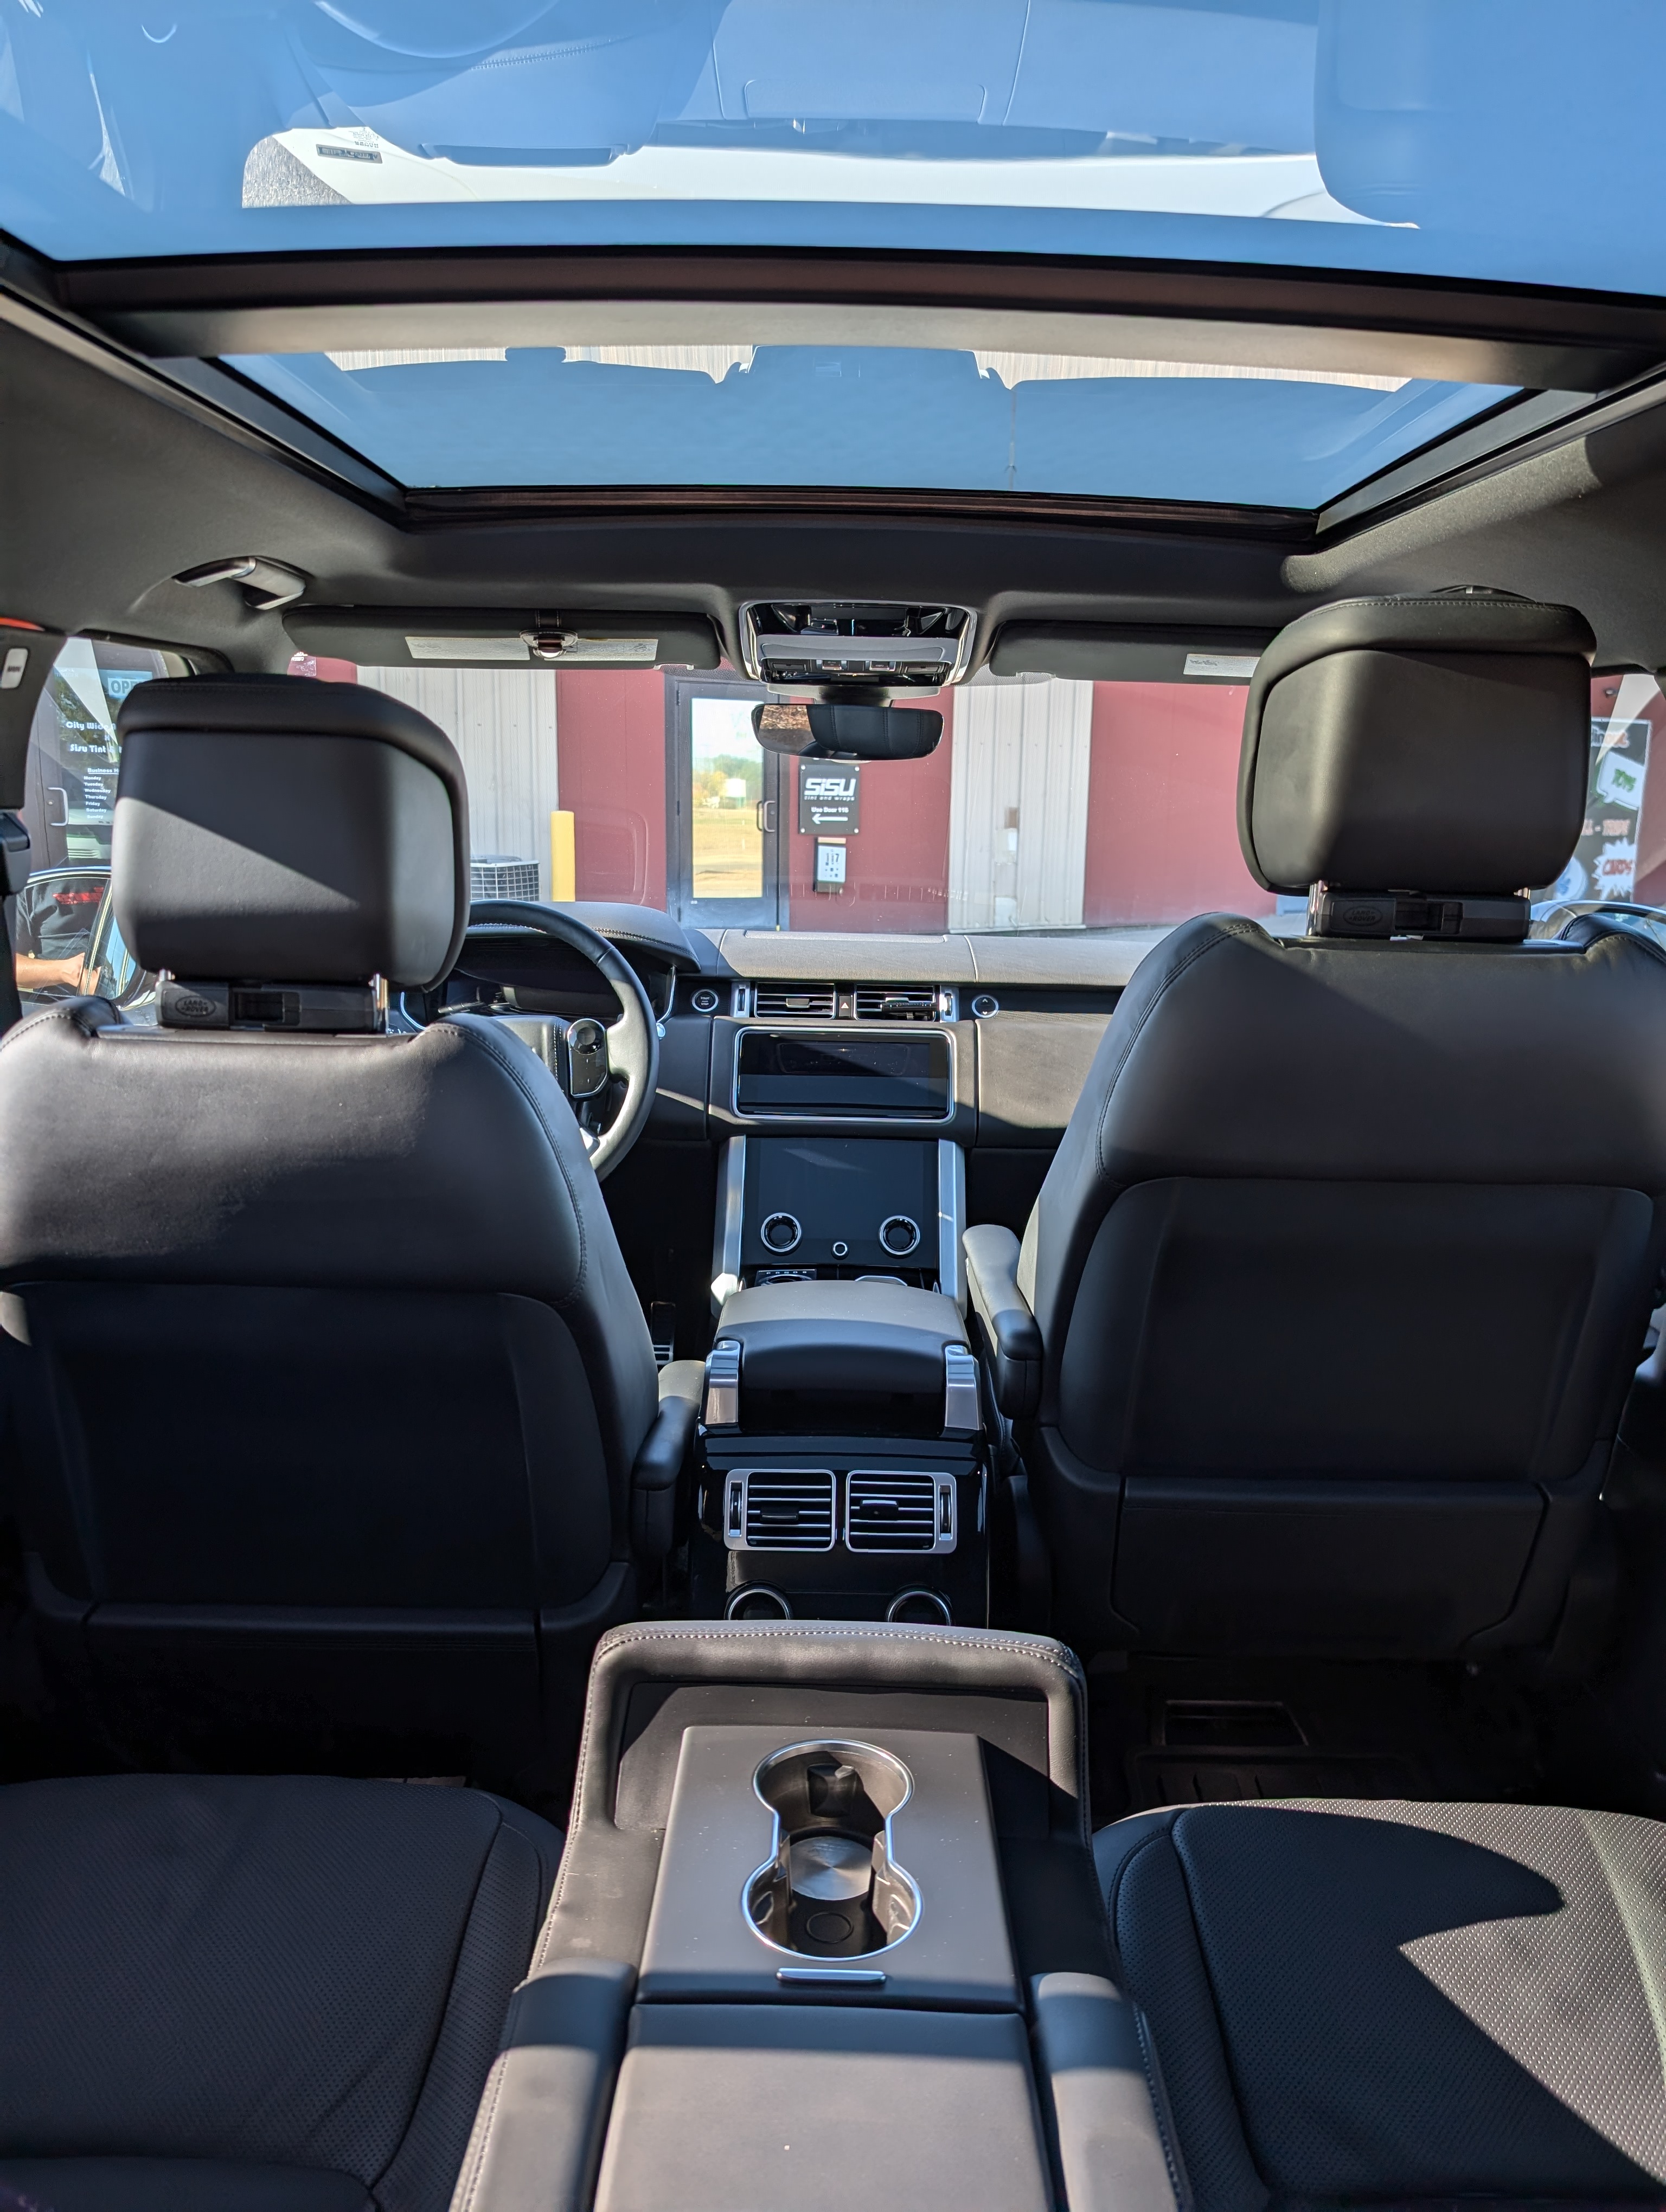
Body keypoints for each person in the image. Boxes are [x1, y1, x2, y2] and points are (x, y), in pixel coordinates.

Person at [11, 872, 106, 994]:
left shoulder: (123, 877)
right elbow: (10, 967)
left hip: (126, 997)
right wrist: (69, 972)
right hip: (55, 1004)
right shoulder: (31, 884)